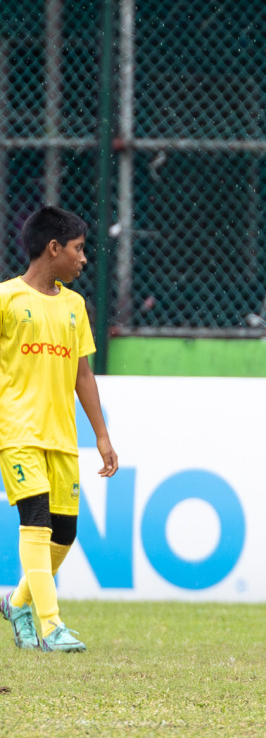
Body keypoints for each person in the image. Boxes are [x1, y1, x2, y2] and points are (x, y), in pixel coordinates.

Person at [0, 206, 119, 653]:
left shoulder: (74, 306)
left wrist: (102, 436)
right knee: (35, 521)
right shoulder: (6, 299)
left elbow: (82, 376)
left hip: (61, 436)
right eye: (78, 249)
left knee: (64, 533)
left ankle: (17, 601)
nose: (84, 259)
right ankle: (51, 626)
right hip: (16, 432)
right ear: (54, 249)